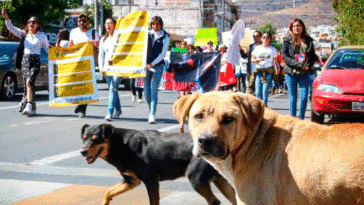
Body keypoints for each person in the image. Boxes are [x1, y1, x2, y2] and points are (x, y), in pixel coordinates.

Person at [2, 9, 49, 116]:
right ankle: (31, 105)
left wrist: (57, 53)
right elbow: (11, 27)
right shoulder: (24, 34)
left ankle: (28, 104)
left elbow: (48, 49)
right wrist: (6, 16)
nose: (31, 24)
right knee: (27, 84)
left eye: (33, 22)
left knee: (29, 82)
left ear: (37, 24)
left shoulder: (42, 36)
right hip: (25, 61)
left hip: (36, 61)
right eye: (29, 22)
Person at [282, 18, 316, 120]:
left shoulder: (309, 41)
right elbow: (285, 56)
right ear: (291, 28)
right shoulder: (287, 40)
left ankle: (301, 119)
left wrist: (308, 66)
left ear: (302, 27)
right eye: (294, 26)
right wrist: (299, 65)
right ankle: (293, 119)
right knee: (293, 97)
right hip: (291, 72)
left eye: (298, 26)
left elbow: (312, 56)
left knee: (304, 97)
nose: (296, 28)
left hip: (305, 73)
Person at [69, 13, 100, 118]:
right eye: (80, 21)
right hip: (76, 63)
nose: (82, 23)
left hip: (88, 63)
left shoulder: (93, 32)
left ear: (88, 22)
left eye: (84, 20)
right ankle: (79, 103)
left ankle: (83, 109)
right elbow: (71, 46)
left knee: (86, 86)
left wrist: (93, 42)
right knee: (77, 85)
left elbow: (98, 44)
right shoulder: (73, 32)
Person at [144, 16, 170, 124]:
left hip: (157, 65)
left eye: (158, 24)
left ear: (161, 25)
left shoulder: (165, 36)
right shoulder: (147, 34)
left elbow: (163, 54)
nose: (155, 26)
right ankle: (151, 109)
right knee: (146, 92)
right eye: (153, 24)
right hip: (146, 66)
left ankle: (152, 114)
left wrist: (152, 64)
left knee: (154, 89)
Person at [98, 17, 122, 121]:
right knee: (113, 89)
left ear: (115, 25)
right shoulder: (103, 39)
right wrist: (101, 67)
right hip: (107, 68)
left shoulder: (120, 37)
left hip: (119, 68)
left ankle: (109, 113)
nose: (108, 25)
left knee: (113, 88)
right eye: (106, 23)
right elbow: (101, 55)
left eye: (111, 23)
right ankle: (119, 110)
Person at [251, 32, 278, 106]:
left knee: (265, 90)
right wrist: (256, 60)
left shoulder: (272, 49)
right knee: (257, 91)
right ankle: (257, 107)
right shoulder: (257, 48)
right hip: (259, 70)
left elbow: (275, 61)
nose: (265, 39)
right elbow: (252, 58)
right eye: (264, 37)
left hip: (268, 71)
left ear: (270, 39)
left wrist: (277, 70)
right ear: (261, 39)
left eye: (267, 37)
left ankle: (264, 107)